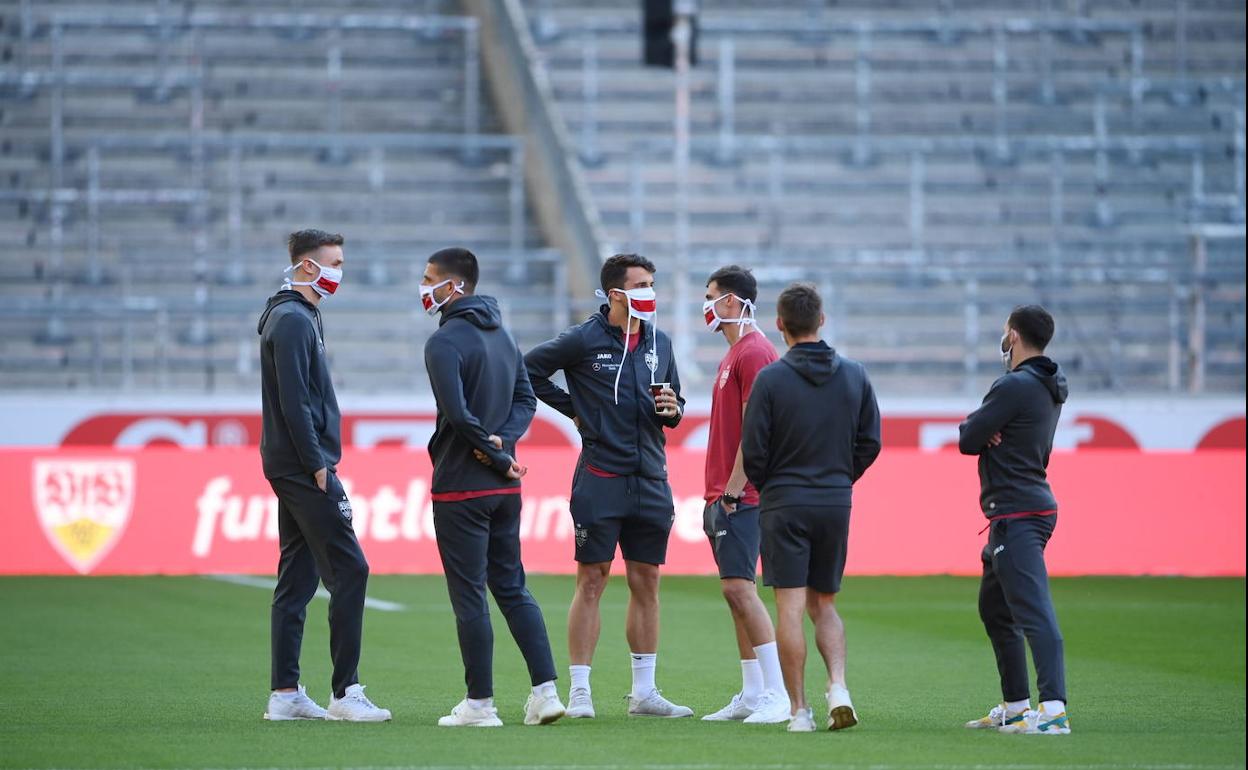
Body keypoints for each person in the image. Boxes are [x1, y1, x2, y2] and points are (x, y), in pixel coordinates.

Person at [524, 253, 692, 719]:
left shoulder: (661, 341)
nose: (649, 293)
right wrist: (574, 409)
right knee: (592, 580)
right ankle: (580, 692)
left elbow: (675, 404)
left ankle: (644, 693)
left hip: (652, 479)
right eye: (641, 285)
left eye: (652, 284)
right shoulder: (583, 339)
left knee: (648, 581)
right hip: (600, 476)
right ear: (615, 293)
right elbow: (528, 370)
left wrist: (671, 409)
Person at [419, 247, 565, 728]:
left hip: (461, 487)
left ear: (454, 286)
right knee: (512, 586)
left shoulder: (443, 343)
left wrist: (495, 451)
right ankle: (545, 692)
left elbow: (458, 415)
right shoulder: (503, 334)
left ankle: (480, 704)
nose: (424, 287)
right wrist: (506, 442)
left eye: (429, 279)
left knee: (469, 596)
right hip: (504, 490)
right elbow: (526, 399)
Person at [257, 229, 390, 722]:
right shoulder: (292, 319)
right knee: (351, 569)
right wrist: (317, 464)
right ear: (308, 267)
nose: (339, 271)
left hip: (289, 461)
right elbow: (295, 401)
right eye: (333, 262)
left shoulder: (295, 315)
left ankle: (285, 694)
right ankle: (345, 693)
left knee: (297, 575)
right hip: (301, 464)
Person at [741, 282, 880, 733]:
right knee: (826, 603)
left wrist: (773, 485)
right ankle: (838, 685)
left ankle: (799, 710)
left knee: (789, 609)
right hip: (835, 501)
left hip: (784, 501)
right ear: (822, 320)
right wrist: (841, 477)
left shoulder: (772, 378)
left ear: (780, 324)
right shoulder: (855, 374)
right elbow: (870, 442)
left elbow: (753, 449)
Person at [959, 304, 1071, 736]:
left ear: (1015, 335)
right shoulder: (1048, 384)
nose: (1003, 339)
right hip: (1023, 507)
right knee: (995, 607)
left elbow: (968, 437)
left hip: (1017, 511)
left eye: (1005, 332)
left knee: (1032, 610)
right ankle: (1018, 705)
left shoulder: (1013, 386)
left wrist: (982, 428)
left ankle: (1053, 710)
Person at [697, 266, 790, 725]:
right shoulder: (736, 354)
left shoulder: (754, 353)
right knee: (736, 592)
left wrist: (733, 490)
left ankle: (777, 693)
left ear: (732, 302)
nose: (707, 306)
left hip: (742, 494)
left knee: (739, 588)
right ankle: (754, 692)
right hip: (725, 492)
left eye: (711, 297)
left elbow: (757, 429)